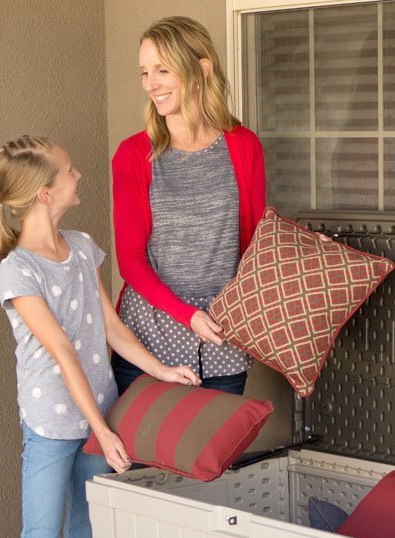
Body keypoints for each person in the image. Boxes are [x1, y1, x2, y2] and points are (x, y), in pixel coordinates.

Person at [0, 135, 200, 538]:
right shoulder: (18, 269)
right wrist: (101, 431)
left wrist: (159, 370)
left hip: (97, 416)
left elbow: (106, 326)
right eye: (71, 170)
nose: (81, 175)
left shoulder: (80, 248)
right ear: (46, 193)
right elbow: (62, 351)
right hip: (56, 428)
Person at [111, 15, 266, 397]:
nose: (151, 84)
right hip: (149, 340)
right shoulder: (134, 155)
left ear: (201, 69)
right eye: (145, 72)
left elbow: (253, 245)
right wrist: (188, 316)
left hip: (221, 339)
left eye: (163, 69)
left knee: (212, 455)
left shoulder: (243, 146)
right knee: (137, 454)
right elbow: (130, 259)